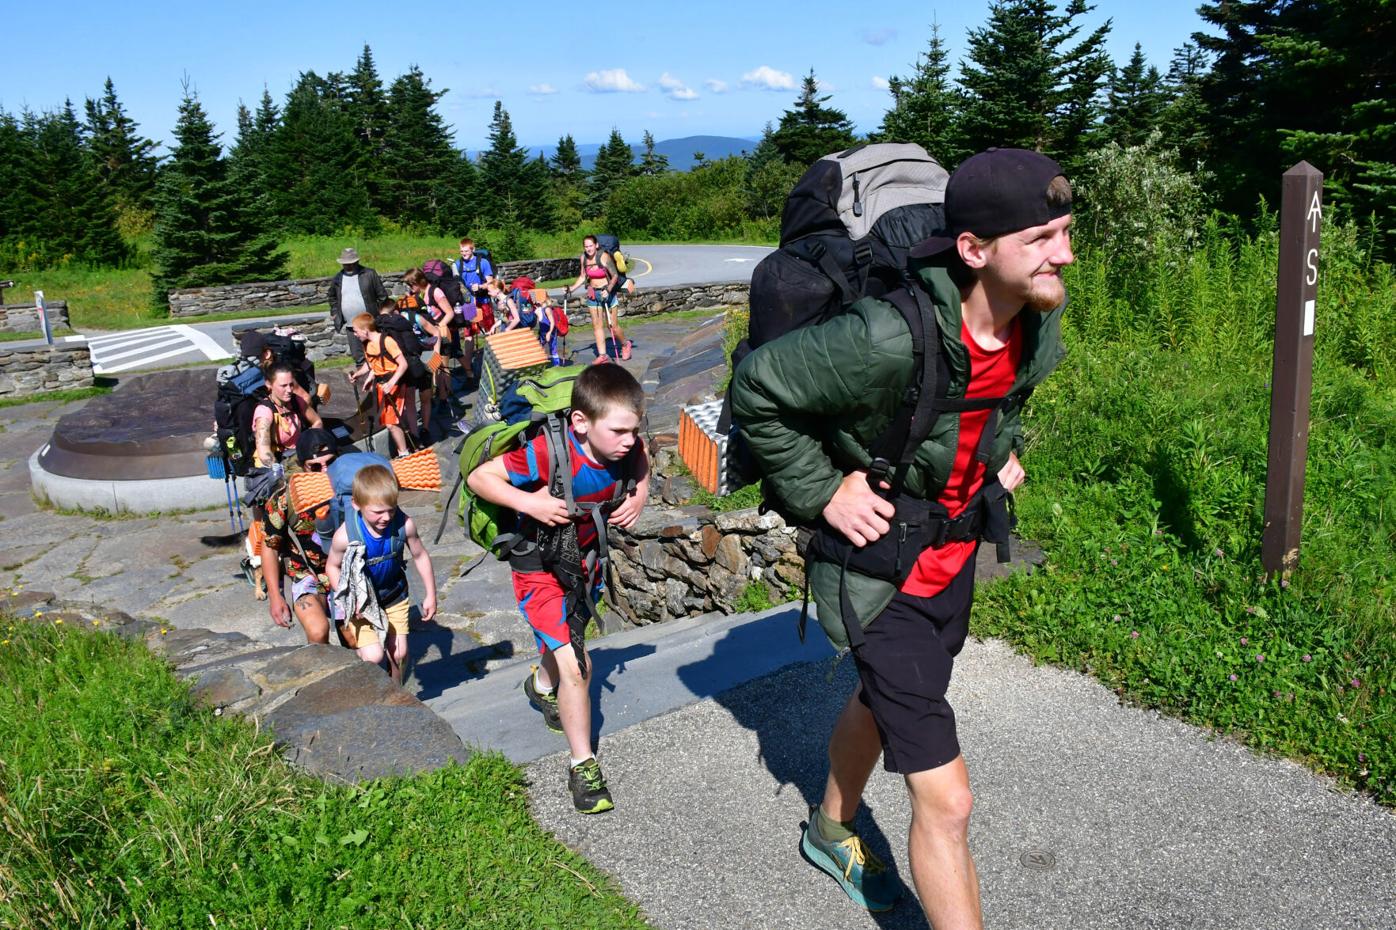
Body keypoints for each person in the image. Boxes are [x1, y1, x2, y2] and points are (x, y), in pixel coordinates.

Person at [729, 148, 1074, 925]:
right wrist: (824, 492)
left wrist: (995, 456)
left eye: (1065, 231)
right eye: (1044, 238)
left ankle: (828, 827)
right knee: (948, 802)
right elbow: (759, 390)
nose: (1066, 255)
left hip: (952, 558)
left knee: (883, 705)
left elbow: (997, 400)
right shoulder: (885, 337)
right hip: (880, 572)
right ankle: (841, 832)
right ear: (975, 250)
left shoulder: (1036, 323)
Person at [466, 363, 650, 814]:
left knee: (562, 647)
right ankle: (582, 766)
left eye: (634, 429)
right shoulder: (548, 453)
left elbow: (643, 459)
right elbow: (479, 478)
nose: (629, 440)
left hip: (584, 567)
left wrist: (640, 495)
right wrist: (530, 501)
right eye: (620, 430)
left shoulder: (628, 448)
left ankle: (540, 684)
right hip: (539, 569)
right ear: (581, 424)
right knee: (577, 666)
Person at [325, 464, 438, 685]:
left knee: (398, 654)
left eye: (391, 509)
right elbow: (332, 566)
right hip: (362, 602)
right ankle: (363, 664)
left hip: (394, 593)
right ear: (357, 505)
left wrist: (431, 594)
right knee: (374, 656)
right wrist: (349, 597)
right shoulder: (345, 536)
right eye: (377, 512)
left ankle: (397, 693)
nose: (386, 518)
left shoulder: (404, 525)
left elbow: (420, 555)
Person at [260, 428, 350, 646]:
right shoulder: (284, 499)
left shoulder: (352, 489)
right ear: (302, 465)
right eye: (316, 466)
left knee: (356, 641)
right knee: (318, 632)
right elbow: (269, 547)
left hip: (346, 569)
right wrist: (275, 596)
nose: (324, 472)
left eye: (331, 463)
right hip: (307, 573)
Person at [347, 312, 411, 457]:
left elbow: (403, 364)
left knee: (391, 423)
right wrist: (359, 374)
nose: (355, 335)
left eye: (356, 331)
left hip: (395, 384)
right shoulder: (366, 344)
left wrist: (391, 382)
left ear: (365, 330)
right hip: (381, 385)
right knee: (390, 420)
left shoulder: (387, 341)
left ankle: (404, 453)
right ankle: (405, 446)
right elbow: (370, 364)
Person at [564, 235, 631, 363]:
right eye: (586, 246)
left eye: (590, 246)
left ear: (596, 245)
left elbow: (615, 275)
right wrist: (571, 289)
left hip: (607, 293)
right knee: (596, 325)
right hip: (593, 295)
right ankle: (603, 355)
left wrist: (609, 289)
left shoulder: (604, 256)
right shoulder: (583, 258)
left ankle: (624, 344)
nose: (588, 249)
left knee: (612, 326)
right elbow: (583, 276)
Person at [253, 362, 323, 470]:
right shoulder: (264, 412)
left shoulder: (296, 401)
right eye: (283, 386)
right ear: (269, 384)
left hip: (297, 454)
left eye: (291, 384)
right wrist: (279, 472)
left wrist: (313, 444)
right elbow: (264, 453)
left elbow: (317, 422)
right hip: (276, 461)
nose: (289, 390)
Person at [328, 247, 389, 367]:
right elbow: (332, 297)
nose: (348, 266)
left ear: (356, 262)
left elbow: (382, 296)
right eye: (345, 264)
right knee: (358, 358)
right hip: (351, 326)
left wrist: (381, 314)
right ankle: (363, 382)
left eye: (350, 263)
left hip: (370, 323)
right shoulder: (338, 278)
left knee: (378, 352)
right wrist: (335, 312)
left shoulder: (369, 274)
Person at [454, 238, 494, 381]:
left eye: (466, 251)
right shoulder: (458, 264)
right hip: (469, 304)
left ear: (472, 249)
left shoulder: (482, 262)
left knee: (488, 331)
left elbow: (490, 282)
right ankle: (468, 368)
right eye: (461, 251)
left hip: (483, 301)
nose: (463, 253)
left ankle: (493, 361)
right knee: (469, 332)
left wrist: (481, 286)